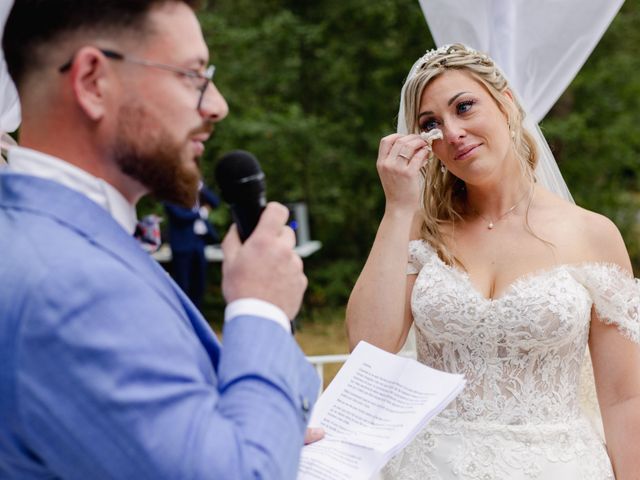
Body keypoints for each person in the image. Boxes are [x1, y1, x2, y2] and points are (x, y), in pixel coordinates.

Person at [0, 1, 322, 478]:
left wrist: (263, 422)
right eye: (191, 75)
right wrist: (262, 309)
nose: (217, 105)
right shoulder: (70, 285)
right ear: (92, 82)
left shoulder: (65, 237)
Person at [346, 44, 640, 479]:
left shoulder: (592, 234)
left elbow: (624, 397)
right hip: (429, 467)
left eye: (464, 107)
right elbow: (368, 347)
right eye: (431, 124)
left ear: (506, 103)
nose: (452, 132)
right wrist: (397, 208)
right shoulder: (416, 228)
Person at [163, 182, 221, 309]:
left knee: (199, 284)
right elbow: (179, 215)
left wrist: (201, 187)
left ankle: (197, 315)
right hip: (182, 244)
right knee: (183, 284)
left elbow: (215, 202)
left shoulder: (198, 192)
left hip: (199, 242)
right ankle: (183, 316)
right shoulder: (171, 193)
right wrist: (201, 213)